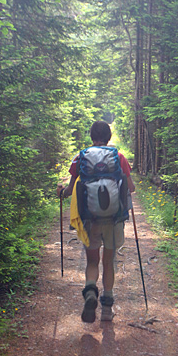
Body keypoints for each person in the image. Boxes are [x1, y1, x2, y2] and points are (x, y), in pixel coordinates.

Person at [57, 121, 135, 323]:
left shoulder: (80, 158)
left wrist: (61, 192)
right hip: (113, 219)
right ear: (108, 137)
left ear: (91, 136)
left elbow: (69, 190)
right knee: (108, 261)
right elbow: (131, 188)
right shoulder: (118, 157)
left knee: (92, 261)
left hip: (90, 219)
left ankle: (91, 290)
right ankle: (107, 310)